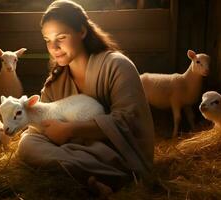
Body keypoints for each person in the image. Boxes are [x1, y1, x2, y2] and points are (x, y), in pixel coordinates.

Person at [16, 0, 154, 193]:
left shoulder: (117, 66)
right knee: (28, 144)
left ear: (81, 31)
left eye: (61, 37)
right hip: (72, 149)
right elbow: (42, 124)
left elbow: (128, 121)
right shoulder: (56, 80)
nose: (53, 47)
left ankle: (110, 176)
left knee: (72, 157)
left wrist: (70, 130)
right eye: (47, 40)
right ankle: (88, 177)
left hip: (114, 150)